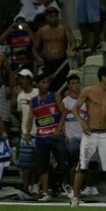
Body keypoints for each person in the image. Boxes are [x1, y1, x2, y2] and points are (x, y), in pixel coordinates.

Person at [70, 66, 106, 208]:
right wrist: (83, 123)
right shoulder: (89, 91)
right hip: (90, 134)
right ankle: (75, 197)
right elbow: (75, 108)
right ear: (103, 77)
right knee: (82, 166)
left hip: (104, 133)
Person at [27, 71, 70, 201]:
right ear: (37, 85)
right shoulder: (33, 101)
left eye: (48, 82)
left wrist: (58, 130)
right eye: (43, 82)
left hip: (55, 135)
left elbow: (63, 113)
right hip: (41, 137)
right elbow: (30, 118)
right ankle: (45, 192)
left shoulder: (55, 96)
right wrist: (28, 133)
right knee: (42, 166)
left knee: (64, 163)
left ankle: (66, 187)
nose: (46, 85)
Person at [32, 6, 75, 92]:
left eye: (55, 15)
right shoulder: (41, 31)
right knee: (50, 87)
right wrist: (38, 58)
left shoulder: (64, 28)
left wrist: (71, 50)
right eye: (51, 16)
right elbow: (34, 49)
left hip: (62, 62)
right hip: (48, 63)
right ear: (46, 17)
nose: (54, 18)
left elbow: (73, 42)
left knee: (65, 86)